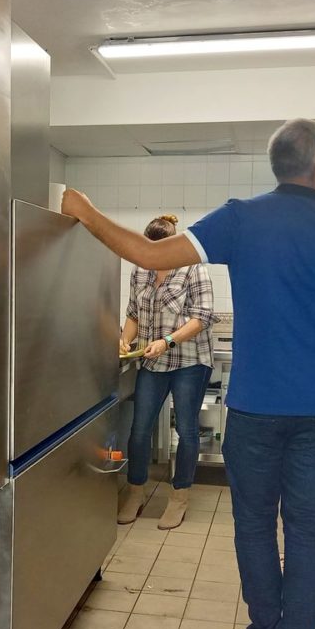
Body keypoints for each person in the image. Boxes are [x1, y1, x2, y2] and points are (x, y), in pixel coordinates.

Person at [62, 118, 315, 629]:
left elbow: (147, 252)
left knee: (254, 524)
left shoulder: (241, 218)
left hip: (255, 407)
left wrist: (85, 211)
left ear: (276, 165)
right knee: (307, 529)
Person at [119, 213, 219, 530]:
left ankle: (179, 498)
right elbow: (133, 313)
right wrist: (124, 339)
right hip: (154, 362)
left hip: (190, 360)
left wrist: (167, 341)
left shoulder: (194, 269)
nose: (152, 256)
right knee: (139, 429)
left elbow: (202, 317)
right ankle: (135, 492)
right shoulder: (141, 269)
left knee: (187, 430)